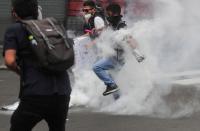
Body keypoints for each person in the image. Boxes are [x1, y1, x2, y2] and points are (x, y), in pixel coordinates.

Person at [3, 0, 71, 131]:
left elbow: (9, 61)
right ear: (36, 10)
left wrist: (21, 72)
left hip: (36, 93)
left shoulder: (15, 29)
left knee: (18, 125)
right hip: (63, 92)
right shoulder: (53, 25)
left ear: (14, 13)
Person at [92, 3, 145, 96]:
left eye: (108, 13)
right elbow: (107, 28)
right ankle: (118, 101)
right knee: (113, 80)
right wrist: (98, 30)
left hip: (117, 57)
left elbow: (129, 39)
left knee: (97, 67)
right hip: (116, 56)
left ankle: (112, 86)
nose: (107, 16)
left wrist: (138, 53)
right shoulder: (114, 23)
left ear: (113, 13)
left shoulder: (121, 25)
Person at [1, 4, 43, 112]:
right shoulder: (34, 7)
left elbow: (9, 61)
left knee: (28, 71)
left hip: (31, 45)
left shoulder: (32, 8)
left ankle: (24, 101)